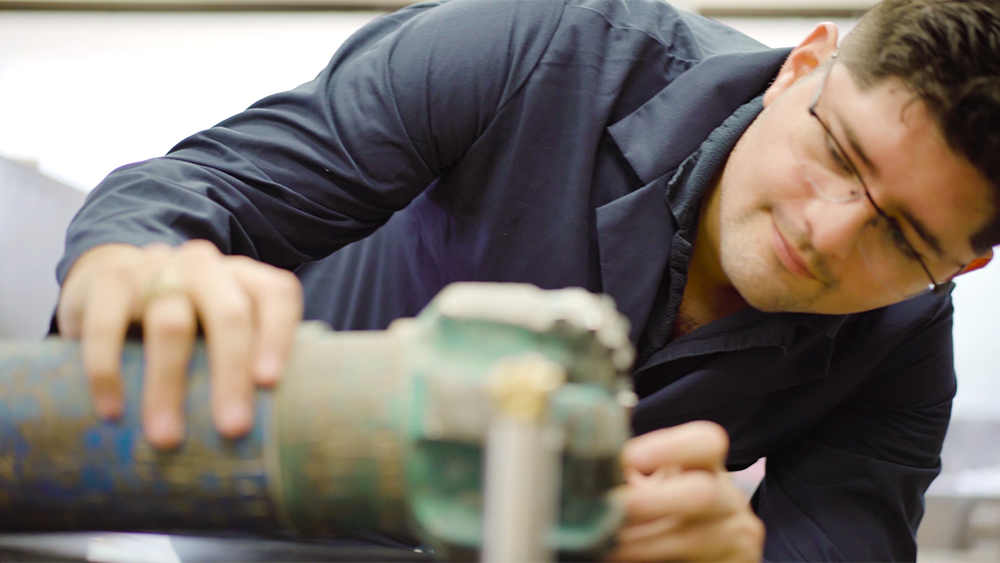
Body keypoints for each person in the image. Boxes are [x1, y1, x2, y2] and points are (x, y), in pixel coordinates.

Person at [53, 0, 1000, 560]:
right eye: (837, 152)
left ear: (963, 262)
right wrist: (142, 261)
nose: (827, 231)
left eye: (900, 235)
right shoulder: (541, 50)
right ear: (802, 67)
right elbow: (205, 188)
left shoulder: (904, 340)